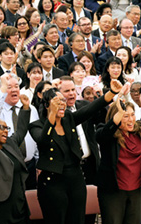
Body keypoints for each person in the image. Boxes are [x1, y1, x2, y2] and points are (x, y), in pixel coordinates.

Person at [29, 79, 126, 224]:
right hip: (53, 183)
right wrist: (52, 116)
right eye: (56, 101)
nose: (61, 103)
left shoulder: (69, 118)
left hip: (75, 179)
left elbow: (91, 108)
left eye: (62, 100)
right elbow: (43, 141)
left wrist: (112, 92)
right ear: (47, 104)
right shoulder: (36, 126)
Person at [0, 94, 31, 224]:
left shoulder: (10, 143)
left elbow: (20, 130)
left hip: (19, 204)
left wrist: (25, 108)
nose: (6, 131)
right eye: (1, 128)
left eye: (6, 128)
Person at [96, 92, 141, 224]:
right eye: (125, 116)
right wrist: (117, 115)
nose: (131, 119)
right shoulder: (107, 134)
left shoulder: (138, 132)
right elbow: (102, 135)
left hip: (137, 192)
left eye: (132, 115)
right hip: (113, 192)